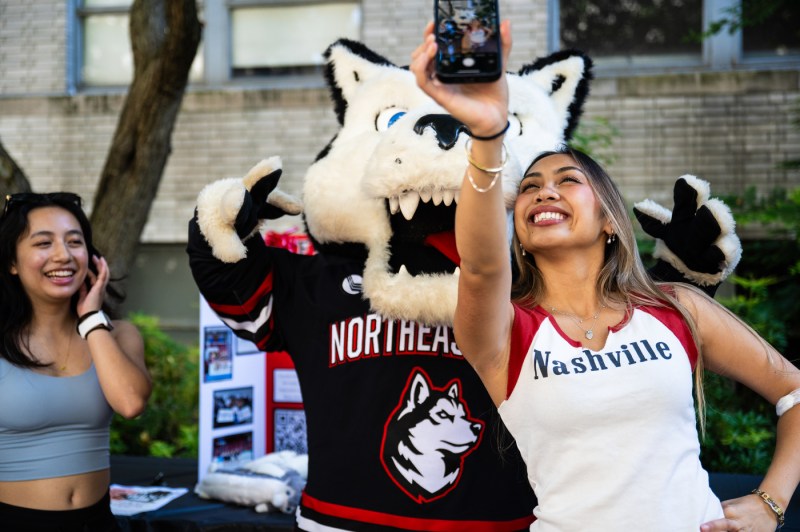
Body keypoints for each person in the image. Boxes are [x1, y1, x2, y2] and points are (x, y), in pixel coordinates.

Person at [411, 20, 800, 531]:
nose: (545, 192)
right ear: (519, 233)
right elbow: (481, 266)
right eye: (529, 187)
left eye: (567, 181)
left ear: (610, 221)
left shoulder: (677, 307)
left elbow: (793, 390)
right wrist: (488, 134)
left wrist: (770, 503)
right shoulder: (505, 333)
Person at [0, 192, 152, 531]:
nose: (63, 255)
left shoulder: (118, 335)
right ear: (12, 261)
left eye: (74, 242)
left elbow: (130, 403)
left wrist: (91, 319)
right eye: (43, 243)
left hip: (96, 522)